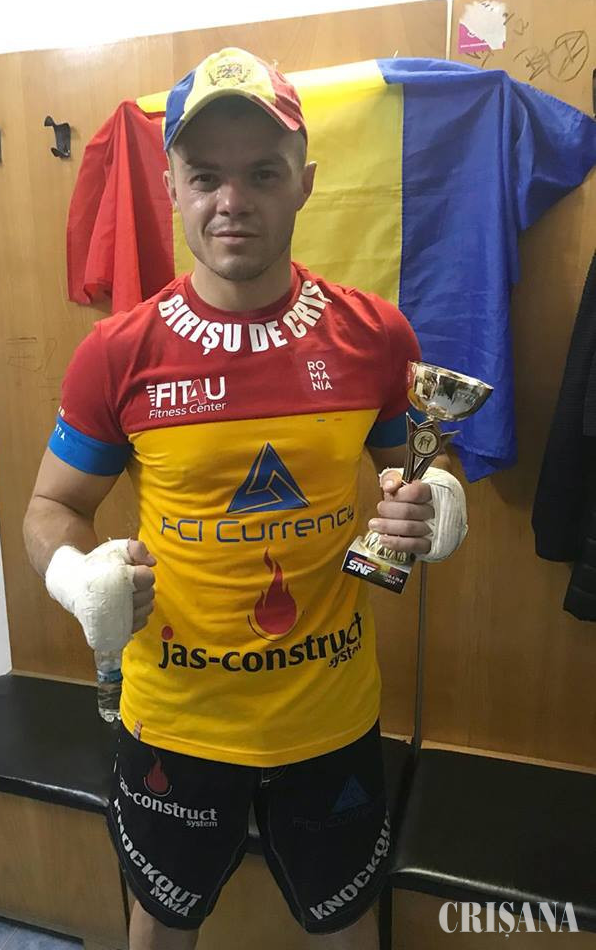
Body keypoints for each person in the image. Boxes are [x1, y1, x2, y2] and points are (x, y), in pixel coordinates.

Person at [23, 47, 467, 950]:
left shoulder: (376, 334)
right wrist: (76, 576)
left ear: (304, 183)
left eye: (263, 173)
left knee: (345, 922)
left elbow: (416, 467)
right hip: (174, 718)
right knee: (161, 922)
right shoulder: (117, 352)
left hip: (331, 712)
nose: (233, 201)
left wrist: (439, 507)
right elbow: (51, 507)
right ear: (171, 189)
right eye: (206, 176)